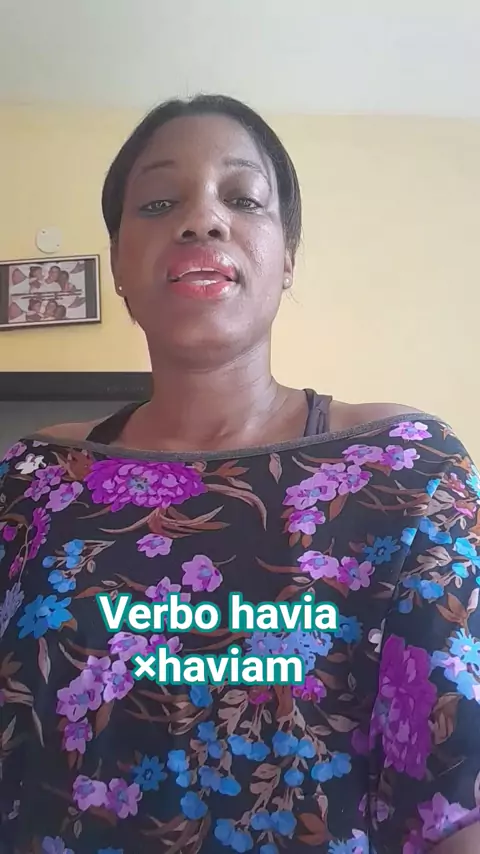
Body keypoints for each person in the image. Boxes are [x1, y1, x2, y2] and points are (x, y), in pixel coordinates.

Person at [0, 95, 478, 854]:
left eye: (243, 198)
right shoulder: (31, 483)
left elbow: (457, 785)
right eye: (159, 203)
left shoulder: (409, 467)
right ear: (118, 263)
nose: (202, 220)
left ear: (287, 257)